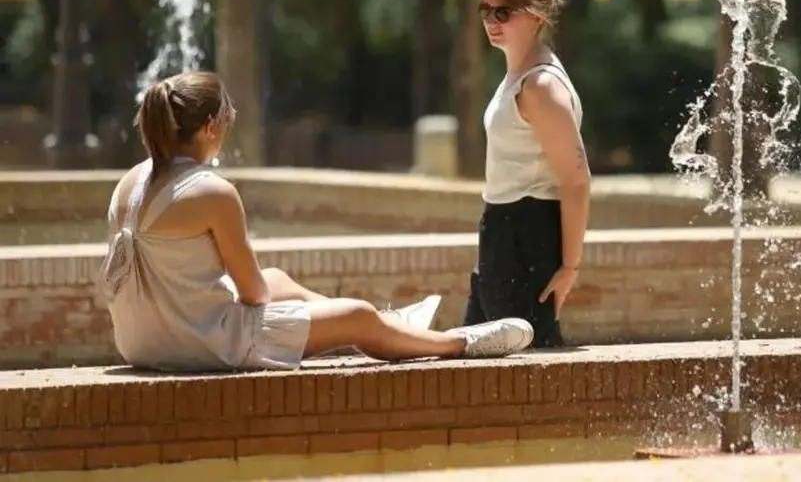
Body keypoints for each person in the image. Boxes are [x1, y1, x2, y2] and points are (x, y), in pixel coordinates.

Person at [97, 70, 534, 373]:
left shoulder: (129, 183)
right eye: (227, 123)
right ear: (211, 127)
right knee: (357, 318)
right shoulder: (211, 191)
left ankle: (395, 323)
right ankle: (458, 343)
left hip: (141, 341)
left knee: (279, 277)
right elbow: (254, 294)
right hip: (198, 344)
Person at [462, 0, 591, 348]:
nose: (490, 20)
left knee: (525, 366)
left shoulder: (540, 87)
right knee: (477, 367)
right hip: (502, 234)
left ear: (537, 15)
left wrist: (569, 266)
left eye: (503, 11)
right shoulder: (518, 76)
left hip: (526, 237)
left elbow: (576, 180)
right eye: (485, 9)